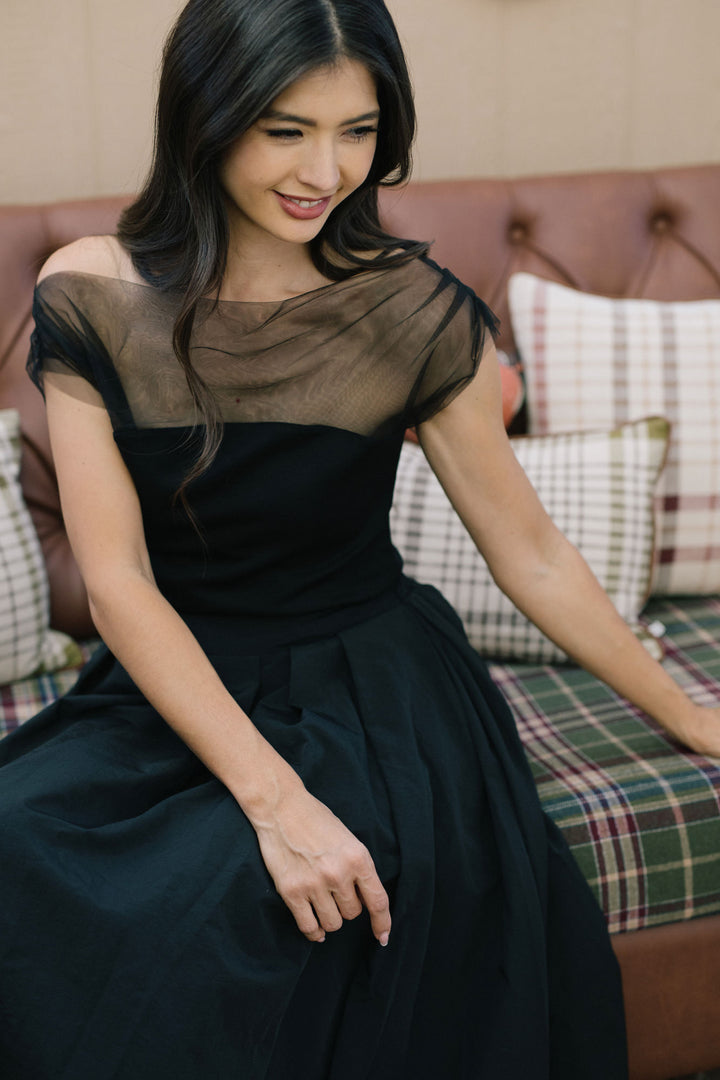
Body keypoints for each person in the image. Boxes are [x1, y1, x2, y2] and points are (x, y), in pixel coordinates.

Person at [1, 0, 719, 1076]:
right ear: (207, 117)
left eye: (359, 130)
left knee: (258, 907)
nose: (324, 170)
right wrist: (276, 800)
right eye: (285, 129)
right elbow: (117, 584)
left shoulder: (411, 310)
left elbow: (527, 553)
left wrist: (689, 712)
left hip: (371, 683)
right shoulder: (93, 292)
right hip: (173, 672)